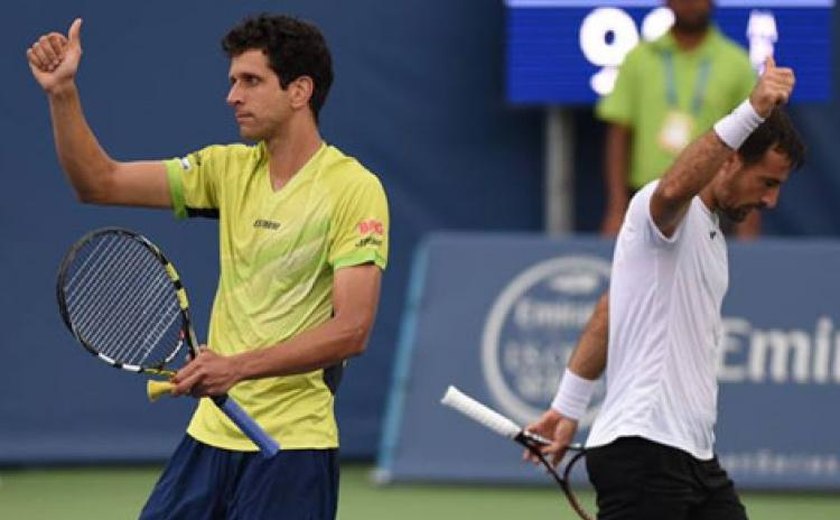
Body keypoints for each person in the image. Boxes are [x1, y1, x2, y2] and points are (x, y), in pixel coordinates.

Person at [28, 14, 389, 519]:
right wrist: (62, 92)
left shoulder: (353, 189)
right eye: (232, 82)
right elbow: (99, 182)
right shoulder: (227, 169)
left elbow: (352, 330)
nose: (233, 96)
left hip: (292, 448)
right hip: (210, 439)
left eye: (251, 81)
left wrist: (235, 367)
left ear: (299, 91)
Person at [526, 56, 804, 520]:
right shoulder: (664, 210)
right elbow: (674, 190)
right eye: (768, 182)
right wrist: (751, 112)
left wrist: (567, 406)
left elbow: (611, 311)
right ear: (732, 159)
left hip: (693, 456)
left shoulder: (713, 242)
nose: (770, 201)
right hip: (645, 451)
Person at [598, 0, 761, 239]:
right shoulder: (638, 59)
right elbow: (619, 134)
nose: (690, 4)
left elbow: (752, 144)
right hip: (647, 199)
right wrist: (617, 206)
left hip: (711, 202)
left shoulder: (737, 63)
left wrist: (749, 214)